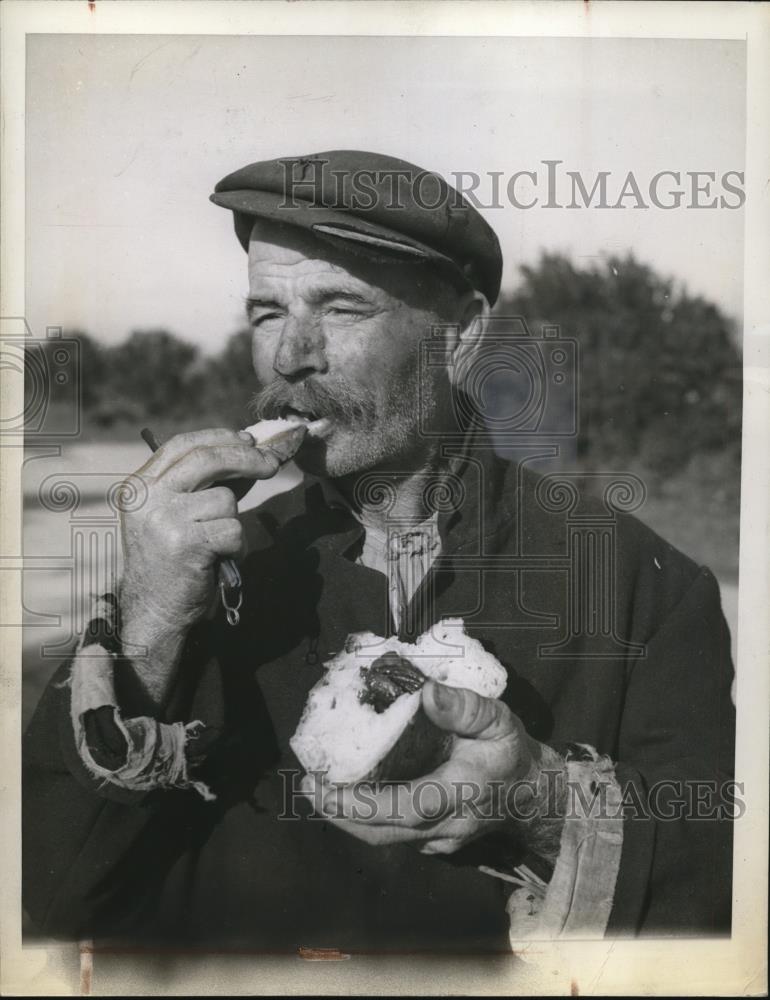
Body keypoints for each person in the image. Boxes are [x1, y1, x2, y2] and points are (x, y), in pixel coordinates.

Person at [23, 151, 736, 954]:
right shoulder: (206, 572)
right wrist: (148, 622)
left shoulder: (648, 588)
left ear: (460, 334)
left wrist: (539, 804)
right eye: (266, 313)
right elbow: (45, 908)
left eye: (340, 309)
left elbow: (717, 911)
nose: (289, 356)